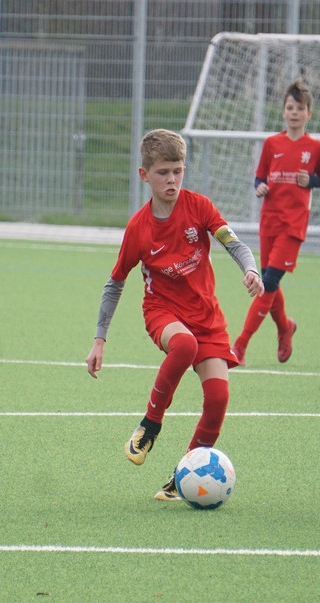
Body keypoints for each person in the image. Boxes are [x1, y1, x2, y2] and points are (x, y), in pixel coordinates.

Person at [85, 128, 263, 500]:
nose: (172, 179)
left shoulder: (199, 207)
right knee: (184, 345)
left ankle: (182, 477)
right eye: (163, 172)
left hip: (206, 316)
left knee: (218, 399)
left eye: (178, 171)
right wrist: (99, 339)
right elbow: (115, 283)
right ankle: (149, 426)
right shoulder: (139, 228)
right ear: (144, 175)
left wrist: (251, 269)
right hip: (162, 311)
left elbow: (235, 244)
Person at [231, 78, 320, 366]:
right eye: (290, 107)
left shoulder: (315, 147)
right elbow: (259, 177)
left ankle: (240, 346)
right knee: (269, 283)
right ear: (283, 112)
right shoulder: (271, 143)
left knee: (268, 282)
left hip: (293, 225)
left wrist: (311, 180)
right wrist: (259, 187)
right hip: (269, 222)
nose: (294, 112)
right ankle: (285, 328)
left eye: (300, 108)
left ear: (309, 113)